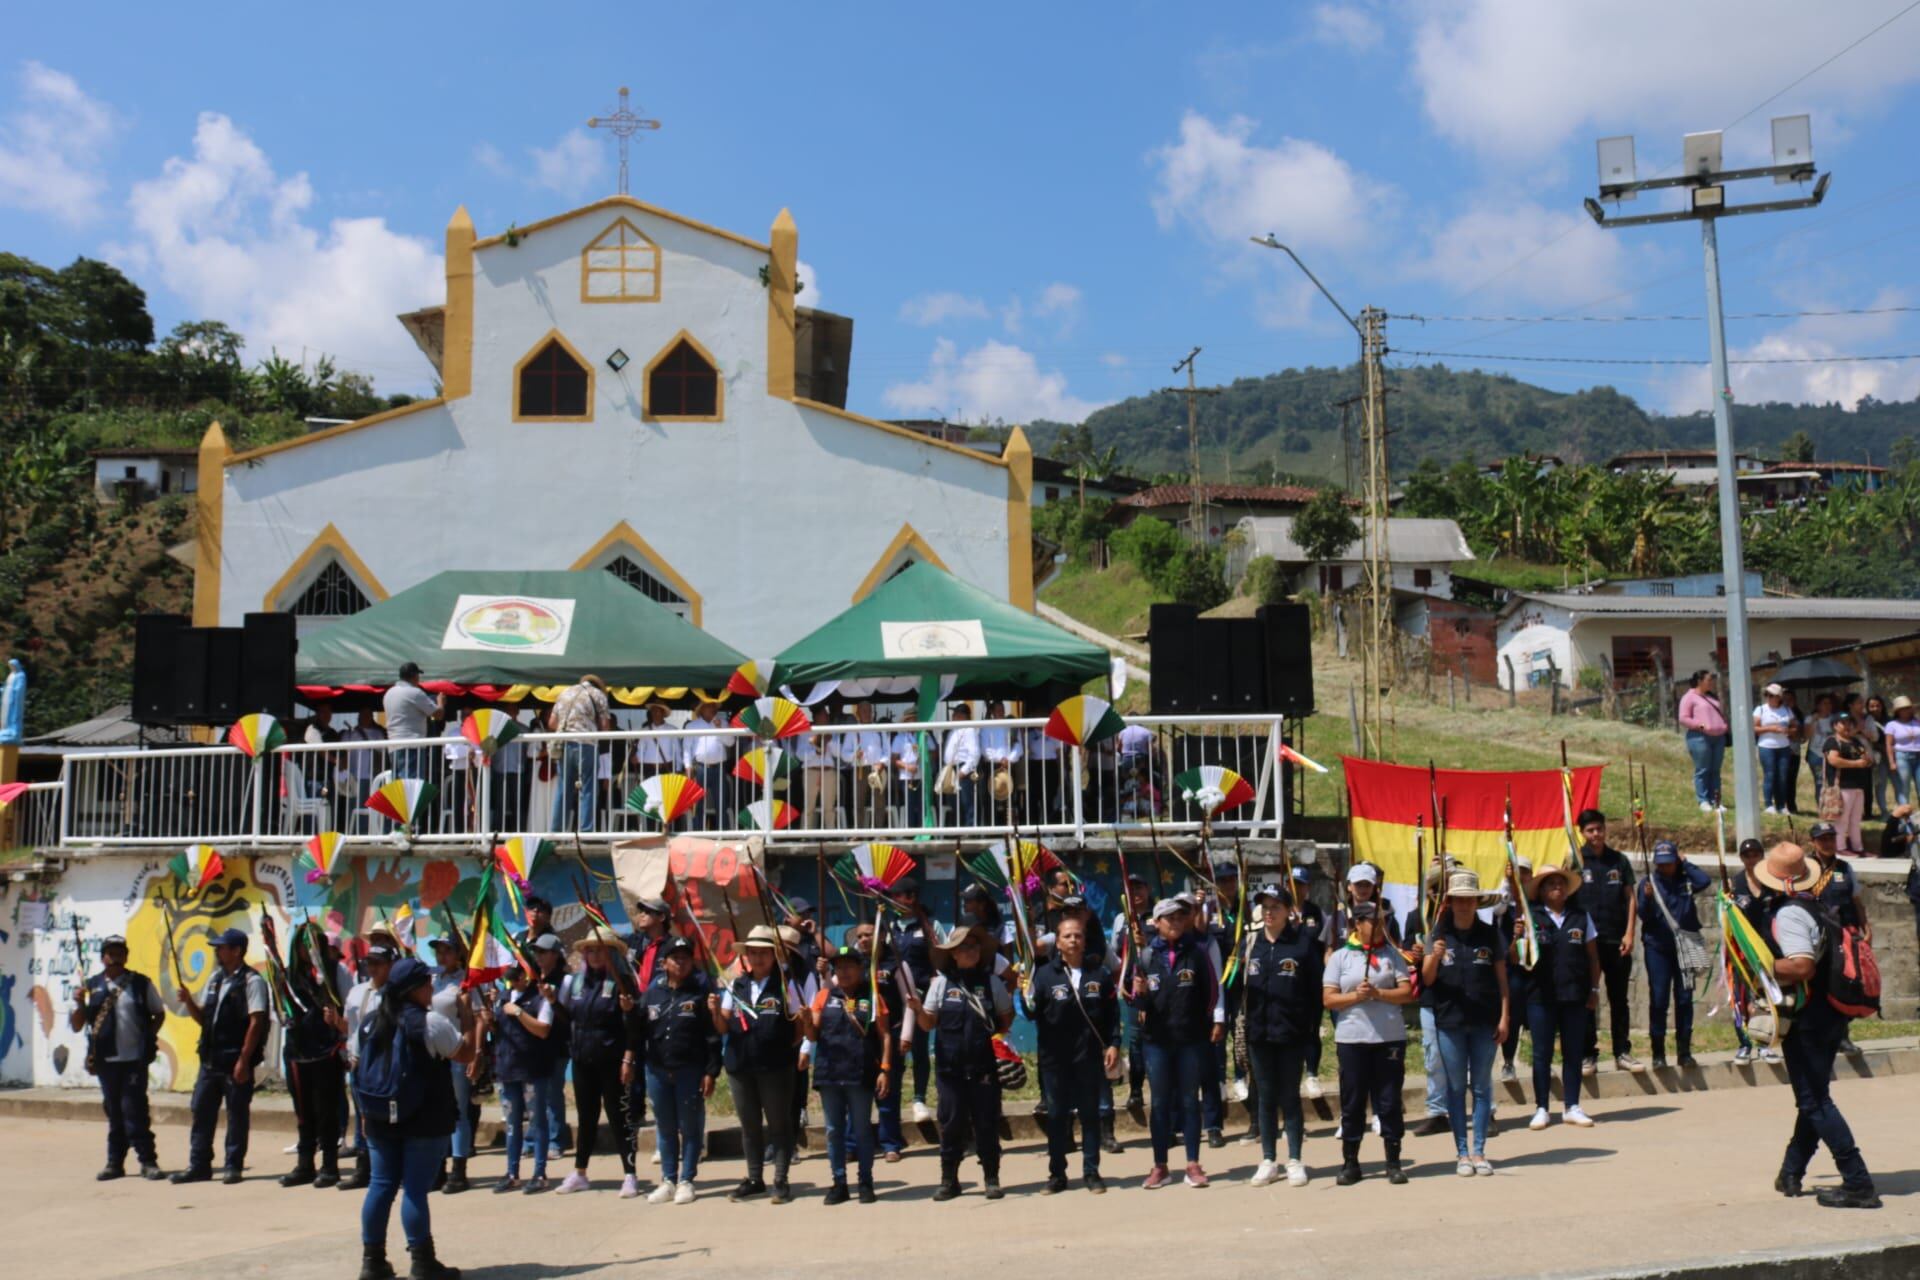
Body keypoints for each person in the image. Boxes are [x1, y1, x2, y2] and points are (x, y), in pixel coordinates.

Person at [1756, 843, 1880, 1209]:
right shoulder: (1817, 906)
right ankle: (1791, 1171)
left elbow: (1801, 967)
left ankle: (1858, 1181)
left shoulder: (1792, 914)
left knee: (1815, 1101)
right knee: (1813, 1098)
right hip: (1829, 1015)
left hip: (1810, 1019)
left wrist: (1759, 966)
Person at [356, 955, 476, 1280]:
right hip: (423, 1117)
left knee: (380, 1185)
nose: (432, 987)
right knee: (414, 1189)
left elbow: (359, 1069)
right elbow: (464, 1054)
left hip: (380, 1115)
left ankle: (372, 1261)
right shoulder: (429, 1022)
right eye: (427, 983)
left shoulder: (370, 1021)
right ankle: (423, 1262)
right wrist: (470, 1018)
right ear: (414, 989)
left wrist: (366, 1114)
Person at [908, 924, 1013, 1201]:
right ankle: (949, 1180)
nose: (971, 951)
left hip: (984, 1069)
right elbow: (929, 1023)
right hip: (950, 1069)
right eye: (965, 947)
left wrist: (997, 1040)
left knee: (987, 1124)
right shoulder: (941, 984)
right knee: (951, 1123)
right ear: (953, 954)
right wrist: (919, 1010)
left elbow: (1005, 1017)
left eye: (975, 946)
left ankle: (992, 1178)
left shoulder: (991, 983)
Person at [1422, 869, 1510, 1177]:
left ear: (1476, 902)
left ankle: (1480, 1151)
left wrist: (1504, 1016)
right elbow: (1427, 979)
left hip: (1485, 1021)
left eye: (1469, 900)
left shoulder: (1490, 935)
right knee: (1456, 1088)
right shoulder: (1438, 933)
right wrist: (1433, 955)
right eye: (1458, 900)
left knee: (1482, 1087)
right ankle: (1461, 1153)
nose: (1463, 905)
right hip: (1450, 1021)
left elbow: (1502, 980)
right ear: (1449, 902)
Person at [1134, 894, 1224, 1189]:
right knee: (1160, 1103)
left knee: (1189, 1100)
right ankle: (1160, 1165)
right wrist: (1141, 993)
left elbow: (1211, 991)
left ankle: (1193, 1163)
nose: (1175, 922)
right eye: (1168, 918)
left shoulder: (1196, 952)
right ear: (1157, 923)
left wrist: (1204, 1022)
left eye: (1179, 917)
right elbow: (1139, 1004)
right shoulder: (1145, 956)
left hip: (1190, 1040)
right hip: (1157, 1042)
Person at [1323, 901, 1416, 1185]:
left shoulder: (1392, 955)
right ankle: (1350, 1162)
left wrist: (1377, 993)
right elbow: (1329, 999)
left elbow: (1407, 992)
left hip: (1388, 1037)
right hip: (1352, 1039)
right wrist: (1356, 997)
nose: (1379, 927)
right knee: (1352, 1102)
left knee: (1388, 1100)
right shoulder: (1340, 957)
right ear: (1357, 924)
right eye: (1373, 921)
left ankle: (1393, 1160)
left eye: (1383, 921)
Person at [1025, 914, 1119, 1194]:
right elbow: (1032, 1012)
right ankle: (1057, 1175)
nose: (1073, 940)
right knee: (1056, 1117)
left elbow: (1112, 1014)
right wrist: (1024, 994)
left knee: (1090, 1115)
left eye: (1078, 935)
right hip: (1054, 1058)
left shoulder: (1097, 973)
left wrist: (1114, 1043)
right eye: (1067, 936)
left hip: (1088, 1056)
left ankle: (1091, 1172)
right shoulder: (1043, 975)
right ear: (1058, 941)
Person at [173, 927, 270, 1185]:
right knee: (201, 1110)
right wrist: (189, 1002)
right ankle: (199, 1164)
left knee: (237, 1114)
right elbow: (203, 1019)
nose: (217, 951)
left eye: (221, 947)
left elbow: (256, 1022)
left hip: (234, 1060)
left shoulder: (253, 981)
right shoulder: (215, 979)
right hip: (210, 1059)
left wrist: (243, 1060)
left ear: (236, 951)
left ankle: (233, 1165)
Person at [1240, 882, 1321, 1187]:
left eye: (1276, 906)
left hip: (1291, 1033)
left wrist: (1310, 1029)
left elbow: (1315, 992)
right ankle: (1268, 1159)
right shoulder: (1251, 945)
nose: (1269, 912)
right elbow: (1238, 987)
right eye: (1265, 906)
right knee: (1265, 1096)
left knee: (1290, 1096)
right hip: (1259, 1033)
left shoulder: (1302, 945)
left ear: (1289, 911)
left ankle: (1296, 1159)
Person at [716, 925, 804, 1205]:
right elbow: (722, 1025)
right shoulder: (736, 985)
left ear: (774, 955)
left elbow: (798, 1024)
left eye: (763, 953)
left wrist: (788, 1047)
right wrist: (712, 1011)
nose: (757, 959)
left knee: (779, 1124)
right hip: (740, 1066)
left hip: (776, 1067)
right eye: (752, 953)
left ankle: (781, 1179)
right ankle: (755, 1179)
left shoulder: (786, 983)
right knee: (749, 1125)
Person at [69, 934, 166, 1181]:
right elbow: (77, 1025)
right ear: (103, 957)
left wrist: (148, 1037)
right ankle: (115, 1163)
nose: (115, 957)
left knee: (134, 1110)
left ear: (126, 955)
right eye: (111, 953)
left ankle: (148, 1161)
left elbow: (158, 1013)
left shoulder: (141, 984)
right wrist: (80, 1004)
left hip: (134, 1058)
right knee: (114, 1112)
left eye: (120, 952)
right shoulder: (91, 986)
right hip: (105, 1060)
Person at [556, 927, 643, 1197]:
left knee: (619, 1117)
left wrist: (629, 1057)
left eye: (600, 949)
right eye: (590, 950)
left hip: (612, 1060)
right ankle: (580, 1171)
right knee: (586, 1117)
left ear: (612, 953)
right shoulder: (576, 983)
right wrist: (553, 1003)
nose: (594, 955)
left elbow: (634, 1026)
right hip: (583, 1059)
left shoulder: (622, 982)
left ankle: (630, 1175)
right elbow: (569, 1019)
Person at [808, 946, 892, 1203]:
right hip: (830, 1073)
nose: (843, 972)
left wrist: (885, 1069)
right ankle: (839, 1182)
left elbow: (885, 1035)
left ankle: (865, 1182)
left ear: (860, 969)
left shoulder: (874, 997)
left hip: (861, 1073)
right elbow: (812, 1035)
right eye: (838, 967)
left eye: (849, 966)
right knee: (833, 1130)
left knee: (862, 1129)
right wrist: (804, 1020)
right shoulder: (824, 996)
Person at [1523, 865, 1600, 1131]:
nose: (1557, 886)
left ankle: (1572, 1105)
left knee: (1573, 1052)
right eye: (1550, 883)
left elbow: (1593, 957)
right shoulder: (1530, 917)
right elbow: (1515, 957)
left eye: (1560, 882)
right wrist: (1517, 937)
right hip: (1540, 996)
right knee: (1542, 1053)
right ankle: (1541, 1107)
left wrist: (1594, 989)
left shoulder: (1581, 917)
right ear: (1541, 891)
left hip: (1575, 994)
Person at [645, 935, 722, 1202]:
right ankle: (668, 1179)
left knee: (690, 1126)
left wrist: (711, 1072)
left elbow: (712, 1037)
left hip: (690, 1069)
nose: (680, 962)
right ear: (664, 963)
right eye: (675, 958)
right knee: (665, 1127)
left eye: (685, 958)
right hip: (657, 1069)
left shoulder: (701, 993)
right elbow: (640, 1028)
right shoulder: (653, 992)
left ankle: (687, 1179)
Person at [1571, 808, 1642, 1075]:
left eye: (1599, 829)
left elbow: (1630, 898)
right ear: (1582, 833)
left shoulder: (1619, 861)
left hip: (1616, 940)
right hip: (1587, 943)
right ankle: (1588, 1054)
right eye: (1590, 830)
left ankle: (1622, 1051)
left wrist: (1629, 933)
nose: (1596, 834)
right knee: (1589, 997)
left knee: (1619, 998)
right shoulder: (1575, 861)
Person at [1638, 840, 1712, 1070]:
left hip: (1685, 947)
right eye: (1661, 864)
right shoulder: (1648, 883)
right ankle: (1658, 1053)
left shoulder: (1686, 879)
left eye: (1669, 863)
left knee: (1684, 998)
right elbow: (1644, 915)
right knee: (1659, 999)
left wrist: (1686, 863)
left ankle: (1684, 1051)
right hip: (1657, 947)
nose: (1665, 868)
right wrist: (1648, 899)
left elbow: (1705, 881)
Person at [493, 953, 557, 1194]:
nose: (512, 977)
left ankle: (539, 1173)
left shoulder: (542, 998)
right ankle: (512, 1173)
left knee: (537, 1122)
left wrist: (519, 1013)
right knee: (512, 1124)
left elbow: (543, 1030)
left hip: (533, 1069)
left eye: (517, 972)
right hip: (507, 1069)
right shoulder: (502, 997)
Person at [1808, 821, 1872, 1056]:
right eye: (1822, 839)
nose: (1827, 843)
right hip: (1816, 937)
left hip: (1844, 935)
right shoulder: (1806, 867)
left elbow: (1856, 901)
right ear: (1813, 842)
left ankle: (1842, 1036)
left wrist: (1866, 928)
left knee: (1845, 985)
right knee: (1817, 987)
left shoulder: (1845, 868)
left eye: (1830, 838)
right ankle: (1817, 1036)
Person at [339, 942, 395, 1190]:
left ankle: (388, 1166)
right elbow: (349, 1026)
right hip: (358, 1063)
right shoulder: (357, 992)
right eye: (369, 963)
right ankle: (364, 1167)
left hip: (383, 1063)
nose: (373, 968)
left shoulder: (395, 994)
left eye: (378, 963)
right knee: (362, 1114)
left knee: (384, 1114)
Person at [426, 938, 480, 1193]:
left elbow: (478, 1018)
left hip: (458, 1051)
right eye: (438, 951)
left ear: (459, 954)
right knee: (437, 1111)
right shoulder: (434, 980)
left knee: (458, 1112)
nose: (442, 955)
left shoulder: (466, 981)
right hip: (434, 1054)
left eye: (448, 950)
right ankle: (438, 1168)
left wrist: (477, 1054)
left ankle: (459, 1170)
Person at [888, 879, 936, 1133]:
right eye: (897, 895)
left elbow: (939, 958)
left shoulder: (929, 924)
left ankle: (919, 1099)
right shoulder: (887, 925)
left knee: (919, 1046)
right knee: (894, 1049)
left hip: (921, 995)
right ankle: (891, 1101)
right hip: (894, 997)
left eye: (907, 895)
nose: (902, 899)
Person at [1728, 839, 1782, 1067]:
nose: (1752, 859)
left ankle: (1764, 1044)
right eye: (1747, 855)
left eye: (1756, 854)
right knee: (1740, 997)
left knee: (1766, 998)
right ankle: (1744, 1044)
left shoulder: (1772, 882)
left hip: (1768, 949)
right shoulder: (1735, 882)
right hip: (1742, 950)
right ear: (1742, 858)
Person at [1111, 872, 1154, 1113]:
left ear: (1147, 890)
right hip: (1132, 991)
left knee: (1156, 1038)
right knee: (1136, 1039)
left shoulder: (1158, 915)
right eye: (1131, 889)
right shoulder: (1121, 919)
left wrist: (1145, 941)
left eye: (1139, 888)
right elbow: (1116, 952)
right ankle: (1136, 1090)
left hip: (1156, 988)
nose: (1135, 894)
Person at [548, 674, 612, 833]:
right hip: (586, 743)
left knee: (563, 788)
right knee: (588, 788)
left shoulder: (565, 693)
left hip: (564, 744)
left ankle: (556, 831)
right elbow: (605, 726)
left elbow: (552, 723)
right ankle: (585, 831)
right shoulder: (598, 695)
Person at [1495, 856, 1533, 1083]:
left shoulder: (1536, 902)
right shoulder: (1502, 905)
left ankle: (1542, 1063)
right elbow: (1498, 907)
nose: (1521, 877)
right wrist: (1508, 882)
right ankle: (1508, 1061)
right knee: (1512, 1015)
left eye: (1525, 872)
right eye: (1517, 872)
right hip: (1511, 968)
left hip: (1534, 967)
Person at [383, 662, 443, 784]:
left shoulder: (389, 693)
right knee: (412, 787)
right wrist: (441, 702)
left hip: (393, 746)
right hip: (412, 746)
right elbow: (438, 714)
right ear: (414, 676)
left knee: (399, 786)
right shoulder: (414, 693)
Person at [1822, 712, 1873, 856]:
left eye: (1849, 722)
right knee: (1842, 819)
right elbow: (1834, 760)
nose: (1847, 725)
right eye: (1843, 722)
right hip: (1842, 785)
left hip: (1858, 785)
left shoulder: (1856, 742)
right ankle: (1840, 848)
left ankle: (1858, 848)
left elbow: (1866, 758)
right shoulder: (1832, 741)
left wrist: (1866, 760)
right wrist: (1856, 763)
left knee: (1856, 820)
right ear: (1834, 725)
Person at [1678, 669, 1728, 811]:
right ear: (1700, 681)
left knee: (1715, 770)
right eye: (1709, 680)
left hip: (1718, 738)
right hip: (1700, 737)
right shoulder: (1689, 697)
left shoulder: (1711, 697)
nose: (1711, 683)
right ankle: (1703, 800)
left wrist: (1724, 726)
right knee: (1703, 769)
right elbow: (1683, 717)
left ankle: (1716, 800)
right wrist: (1699, 725)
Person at [684, 697, 734, 831]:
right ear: (702, 710)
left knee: (721, 803)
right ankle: (698, 833)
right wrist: (688, 768)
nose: (713, 709)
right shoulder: (692, 726)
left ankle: (723, 834)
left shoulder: (723, 722)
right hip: (700, 768)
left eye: (714, 706)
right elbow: (686, 749)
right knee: (698, 803)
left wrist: (720, 728)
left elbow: (730, 742)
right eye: (709, 706)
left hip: (719, 768)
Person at [1756, 682, 1797, 815]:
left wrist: (1789, 731)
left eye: (1773, 695)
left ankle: (1781, 804)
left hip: (1783, 746)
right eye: (1768, 695)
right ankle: (1768, 804)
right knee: (1770, 774)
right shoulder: (1761, 709)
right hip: (1766, 746)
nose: (1770, 697)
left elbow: (1795, 727)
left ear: (1779, 697)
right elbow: (1755, 728)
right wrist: (1771, 728)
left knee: (1782, 776)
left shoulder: (1786, 710)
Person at [942, 704, 983, 828]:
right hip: (952, 769)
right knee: (954, 802)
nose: (954, 717)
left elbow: (975, 754)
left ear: (964, 716)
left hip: (963, 769)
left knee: (966, 801)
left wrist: (963, 771)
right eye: (954, 715)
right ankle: (958, 828)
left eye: (957, 715)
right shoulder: (952, 731)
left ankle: (970, 829)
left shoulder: (969, 730)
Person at [1804, 693, 1838, 813]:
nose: (1827, 706)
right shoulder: (1810, 718)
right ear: (1818, 705)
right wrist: (1814, 720)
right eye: (1824, 703)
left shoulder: (1835, 719)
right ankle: (1821, 807)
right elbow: (1807, 736)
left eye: (1829, 703)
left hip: (1832, 754)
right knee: (1819, 782)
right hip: (1816, 754)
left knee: (1832, 781)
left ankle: (1832, 806)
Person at [1886, 695, 1920, 809]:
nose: (1906, 710)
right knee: (1904, 788)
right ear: (1898, 711)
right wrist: (1892, 762)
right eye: (1903, 708)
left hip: (1919, 755)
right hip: (1902, 756)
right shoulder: (1892, 725)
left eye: (1908, 708)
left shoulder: (1917, 722)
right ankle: (1904, 820)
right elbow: (1889, 744)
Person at [1865, 694, 1894, 818]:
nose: (1875, 708)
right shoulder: (1866, 721)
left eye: (1877, 705)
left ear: (1882, 706)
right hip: (1878, 758)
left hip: (1893, 756)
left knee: (1898, 784)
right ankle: (1884, 812)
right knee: (1880, 785)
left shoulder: (1890, 721)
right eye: (1872, 706)